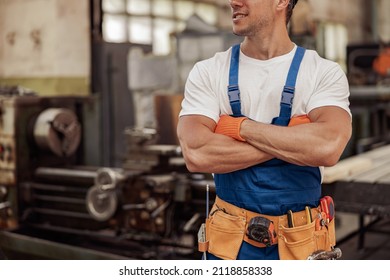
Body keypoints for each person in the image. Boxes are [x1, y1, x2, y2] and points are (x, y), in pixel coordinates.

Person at [177, 0, 352, 260]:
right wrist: (294, 138)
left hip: (302, 242)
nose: (233, 2)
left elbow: (327, 147)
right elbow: (197, 153)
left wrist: (239, 127)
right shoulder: (209, 72)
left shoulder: (322, 72)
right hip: (229, 245)